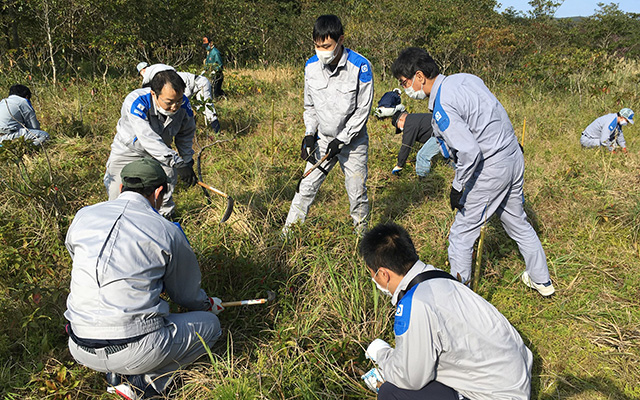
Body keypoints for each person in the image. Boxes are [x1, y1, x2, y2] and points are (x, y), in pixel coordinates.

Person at [391, 47, 554, 296]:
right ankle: (541, 279)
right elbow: (495, 110)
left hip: (490, 167)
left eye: (405, 82)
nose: (406, 89)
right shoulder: (466, 79)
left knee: (461, 234)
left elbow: (469, 152)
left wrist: (458, 187)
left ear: (420, 76)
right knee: (517, 221)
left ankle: (462, 298)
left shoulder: (442, 104)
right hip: (512, 155)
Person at [65, 158, 224, 399]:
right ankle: (145, 383)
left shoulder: (83, 215)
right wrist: (208, 305)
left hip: (78, 345)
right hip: (135, 349)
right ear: (159, 192)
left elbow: (75, 255)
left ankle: (115, 376)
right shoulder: (167, 231)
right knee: (211, 326)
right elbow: (186, 296)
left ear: (120, 188)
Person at [360, 223, 533, 400]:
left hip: (497, 395)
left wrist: (382, 354)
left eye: (372, 274)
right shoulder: (439, 278)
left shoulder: (416, 303)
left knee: (391, 392)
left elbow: (410, 378)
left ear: (383, 274)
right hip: (515, 379)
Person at [282, 14, 373, 236]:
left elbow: (363, 110)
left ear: (341, 40)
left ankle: (361, 240)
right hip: (323, 140)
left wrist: (342, 140)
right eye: (317, 45)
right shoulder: (310, 67)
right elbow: (309, 105)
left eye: (327, 45)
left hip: (353, 143)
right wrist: (309, 134)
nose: (322, 50)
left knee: (356, 192)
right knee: (305, 188)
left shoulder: (360, 67)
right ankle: (287, 236)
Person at [104, 69, 198, 218]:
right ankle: (117, 219)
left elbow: (185, 134)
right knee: (116, 189)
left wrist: (187, 161)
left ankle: (163, 219)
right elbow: (147, 138)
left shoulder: (184, 105)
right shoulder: (136, 101)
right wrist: (176, 162)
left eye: (179, 100)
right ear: (154, 94)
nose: (175, 106)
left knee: (165, 190)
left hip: (163, 152)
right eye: (169, 102)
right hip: (128, 149)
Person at [137, 62, 221, 132]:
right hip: (192, 87)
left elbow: (182, 95)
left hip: (200, 83)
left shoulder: (169, 77)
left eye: (141, 72)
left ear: (143, 70)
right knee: (195, 108)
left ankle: (216, 129)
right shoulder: (161, 76)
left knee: (206, 107)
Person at [390, 110, 443, 177]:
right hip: (445, 131)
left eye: (398, 127)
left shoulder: (409, 123)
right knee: (452, 155)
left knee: (422, 156)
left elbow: (406, 146)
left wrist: (399, 165)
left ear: (401, 120)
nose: (401, 129)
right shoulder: (415, 118)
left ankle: (423, 179)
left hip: (440, 134)